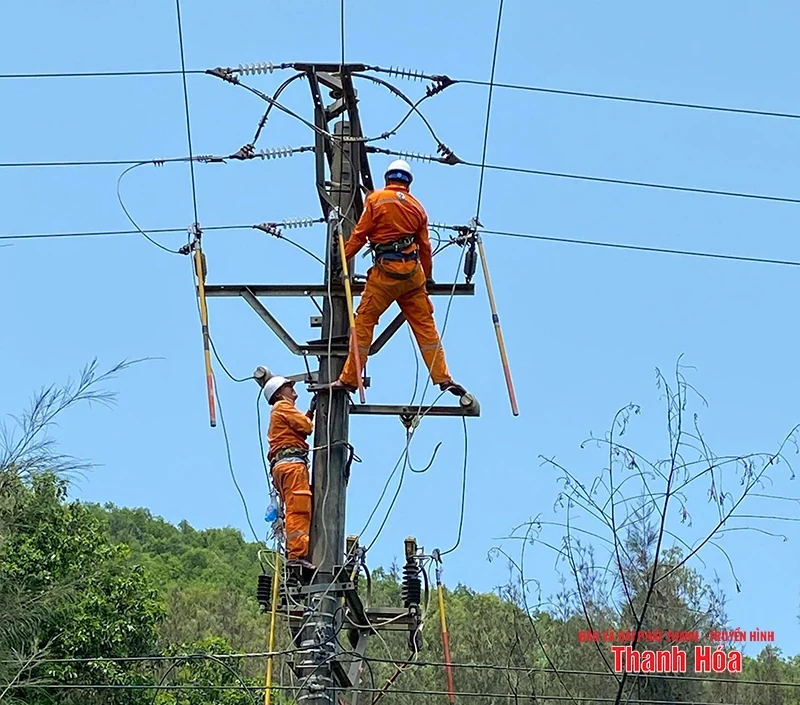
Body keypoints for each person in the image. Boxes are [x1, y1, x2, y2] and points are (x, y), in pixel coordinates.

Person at [329, 159, 468, 397]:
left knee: (364, 324)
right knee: (426, 328)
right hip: (413, 276)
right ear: (408, 183)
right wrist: (429, 278)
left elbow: (360, 235)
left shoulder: (375, 200)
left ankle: (350, 379)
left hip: (385, 275)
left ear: (388, 179)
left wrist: (340, 260)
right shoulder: (418, 208)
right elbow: (425, 247)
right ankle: (443, 378)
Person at [260, 373, 316, 571]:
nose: (295, 393)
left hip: (284, 465)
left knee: (295, 507)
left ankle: (296, 552)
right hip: (291, 466)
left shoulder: (281, 411)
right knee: (298, 509)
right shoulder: (282, 407)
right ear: (278, 393)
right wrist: (309, 418)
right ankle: (296, 555)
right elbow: (306, 427)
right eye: (289, 388)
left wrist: (310, 411)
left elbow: (299, 428)